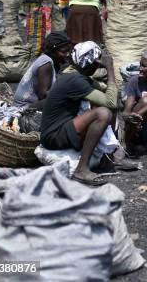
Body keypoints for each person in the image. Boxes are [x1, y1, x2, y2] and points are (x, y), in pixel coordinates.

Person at [40, 42, 118, 186]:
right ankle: (81, 169)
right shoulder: (75, 80)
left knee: (105, 106)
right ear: (92, 64)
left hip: (61, 128)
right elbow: (111, 101)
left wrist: (108, 83)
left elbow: (108, 92)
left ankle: (108, 158)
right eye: (98, 62)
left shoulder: (76, 75)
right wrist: (110, 69)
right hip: (53, 135)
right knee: (103, 113)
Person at [14, 32, 70, 109]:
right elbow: (43, 95)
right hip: (25, 107)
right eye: (63, 52)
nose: (67, 54)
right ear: (53, 51)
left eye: (68, 51)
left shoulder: (54, 61)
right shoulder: (46, 63)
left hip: (35, 103)